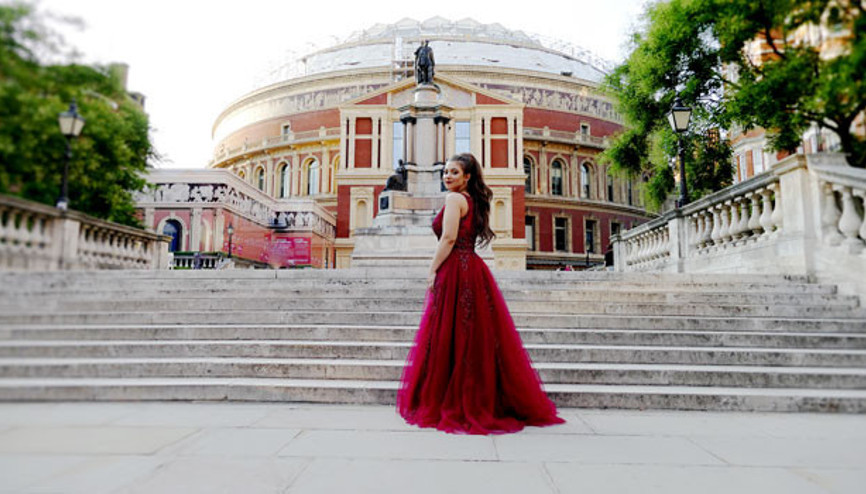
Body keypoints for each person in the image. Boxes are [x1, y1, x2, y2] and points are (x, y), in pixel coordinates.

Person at [397, 153, 564, 435]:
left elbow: (449, 238)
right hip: (473, 269)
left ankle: (450, 398)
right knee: (472, 335)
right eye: (446, 172)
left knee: (450, 333)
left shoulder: (453, 200)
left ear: (467, 177)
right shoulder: (473, 201)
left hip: (455, 270)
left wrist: (432, 269)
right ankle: (478, 396)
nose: (447, 176)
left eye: (454, 172)